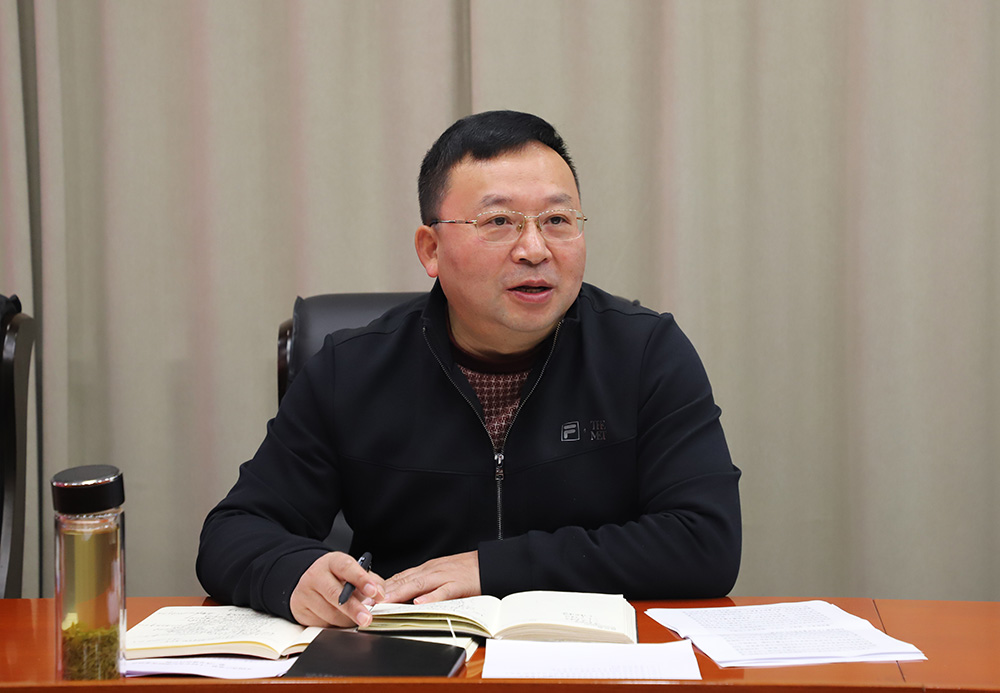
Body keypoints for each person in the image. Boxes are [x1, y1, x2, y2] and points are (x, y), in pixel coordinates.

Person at [196, 110, 741, 629]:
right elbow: (233, 532)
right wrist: (293, 573)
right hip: (411, 655)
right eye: (499, 222)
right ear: (430, 249)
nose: (535, 249)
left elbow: (705, 542)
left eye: (557, 220)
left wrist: (491, 570)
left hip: (590, 656)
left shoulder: (645, 352)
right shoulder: (350, 369)